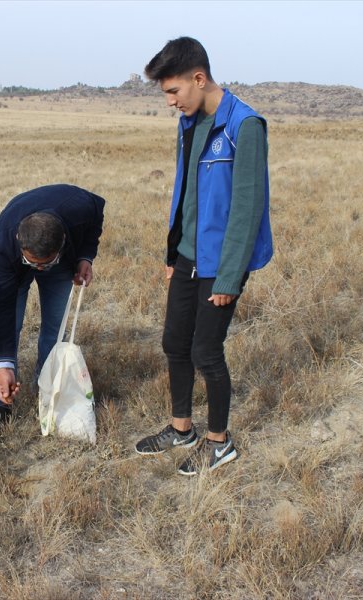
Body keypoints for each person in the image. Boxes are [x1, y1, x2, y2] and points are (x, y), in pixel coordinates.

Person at [133, 37, 273, 475]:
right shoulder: (189, 123)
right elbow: (185, 195)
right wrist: (174, 253)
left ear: (199, 78)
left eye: (174, 91)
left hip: (222, 263)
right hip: (188, 257)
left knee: (206, 352)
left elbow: (247, 209)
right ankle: (181, 429)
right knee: (175, 343)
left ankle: (219, 443)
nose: (171, 101)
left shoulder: (244, 125)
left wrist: (230, 278)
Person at [0, 184, 106, 435]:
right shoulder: (2, 247)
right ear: (19, 240)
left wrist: (85, 256)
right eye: (32, 262)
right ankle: (1, 402)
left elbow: (96, 212)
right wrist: (3, 365)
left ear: (62, 242)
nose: (37, 268)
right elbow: (3, 314)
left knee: (55, 328)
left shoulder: (80, 208)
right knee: (11, 324)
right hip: (11, 265)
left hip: (60, 262)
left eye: (44, 263)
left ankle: (47, 388)